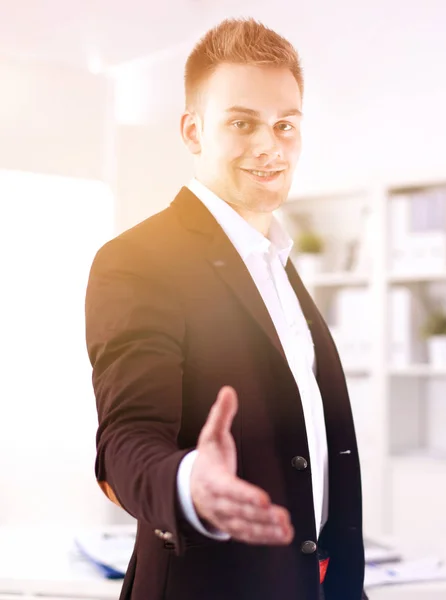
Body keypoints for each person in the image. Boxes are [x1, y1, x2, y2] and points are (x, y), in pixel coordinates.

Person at [85, 17, 366, 600]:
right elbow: (126, 442)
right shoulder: (139, 260)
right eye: (242, 122)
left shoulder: (276, 261)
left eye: (285, 124)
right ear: (193, 131)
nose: (270, 144)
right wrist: (191, 483)